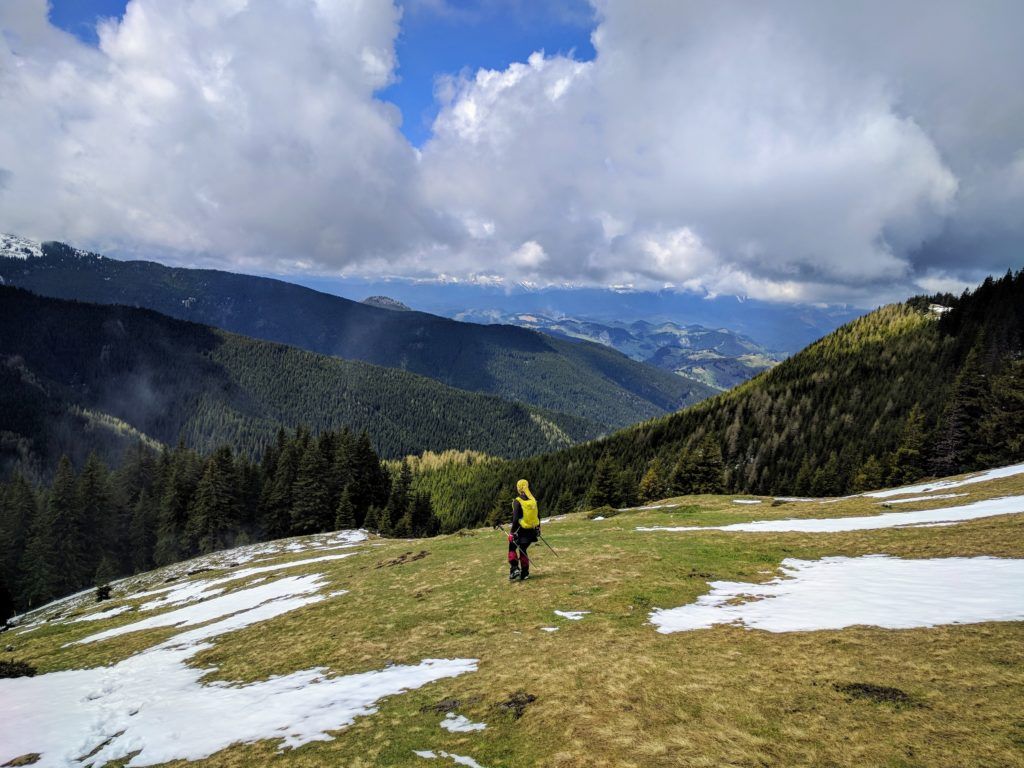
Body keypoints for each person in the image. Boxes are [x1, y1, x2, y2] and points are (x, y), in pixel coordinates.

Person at [508, 478, 540, 581]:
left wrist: (512, 533)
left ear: (519, 488)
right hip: (531, 531)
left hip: (519, 531)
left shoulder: (518, 501)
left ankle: (514, 569)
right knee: (523, 550)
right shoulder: (533, 500)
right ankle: (525, 573)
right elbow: (538, 516)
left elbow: (516, 519)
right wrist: (538, 529)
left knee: (512, 548)